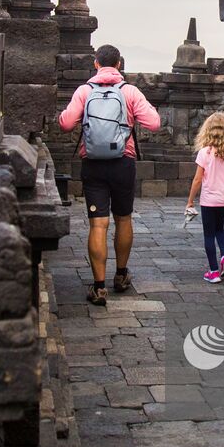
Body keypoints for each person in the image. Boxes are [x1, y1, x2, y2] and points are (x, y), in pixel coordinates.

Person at [58, 44, 162, 305]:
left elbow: (66, 124)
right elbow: (155, 123)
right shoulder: (130, 92)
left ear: (95, 64)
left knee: (98, 223)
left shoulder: (84, 91)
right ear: (118, 65)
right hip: (122, 163)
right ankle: (121, 275)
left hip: (93, 163)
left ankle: (99, 286)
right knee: (123, 219)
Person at [184, 112, 224, 284]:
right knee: (220, 229)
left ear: (207, 131)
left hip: (208, 200)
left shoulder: (204, 153)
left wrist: (190, 201)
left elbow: (197, 179)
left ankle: (213, 271)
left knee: (209, 234)